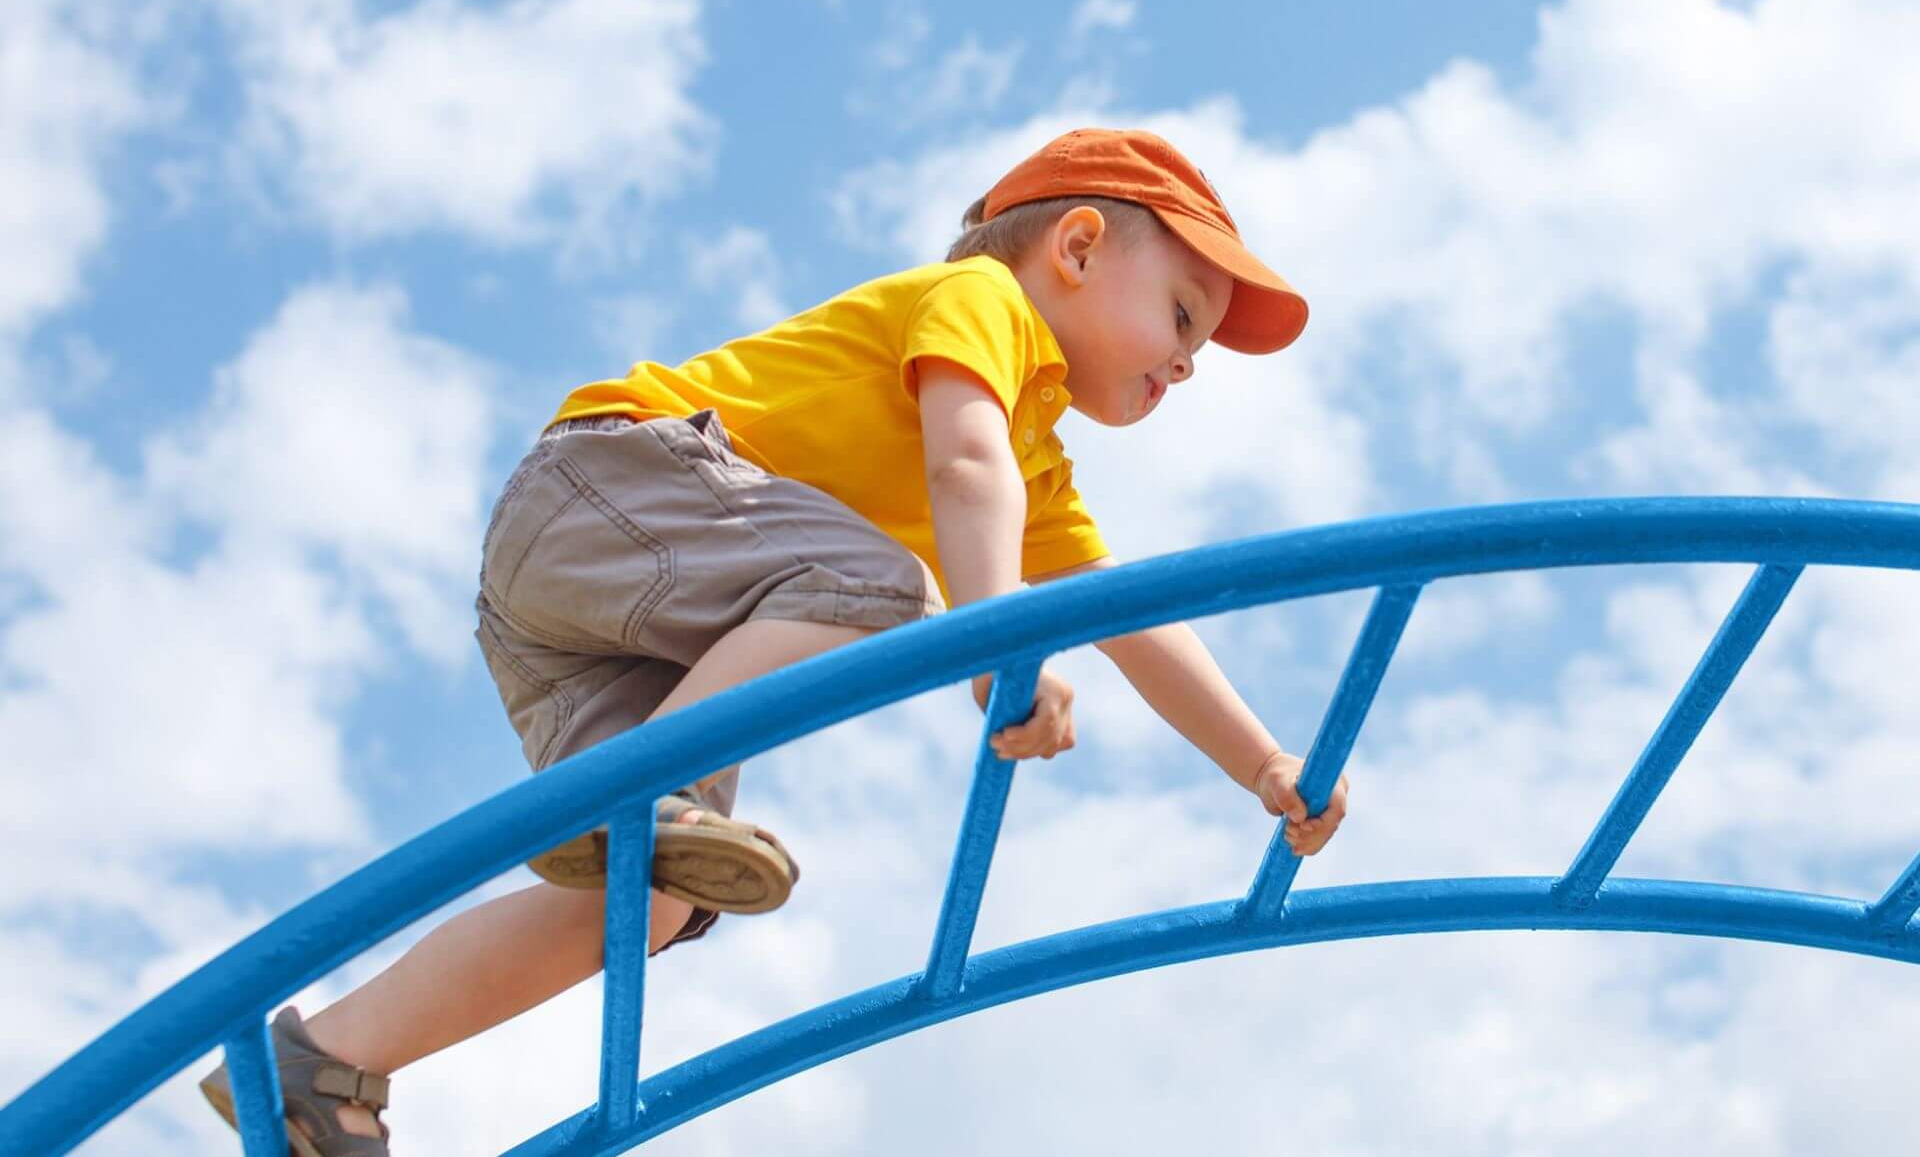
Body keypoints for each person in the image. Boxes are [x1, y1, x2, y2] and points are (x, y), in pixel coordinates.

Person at [199, 127, 1351, 1153]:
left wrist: (1262, 760)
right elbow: (962, 467)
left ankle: (327, 1062)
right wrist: (1004, 644)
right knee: (881, 580)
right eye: (1184, 316)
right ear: (1079, 247)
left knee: (649, 894)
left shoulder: (1035, 466)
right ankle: (645, 798)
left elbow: (1122, 611)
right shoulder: (983, 308)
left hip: (610, 620)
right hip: (608, 491)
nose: (1188, 360)